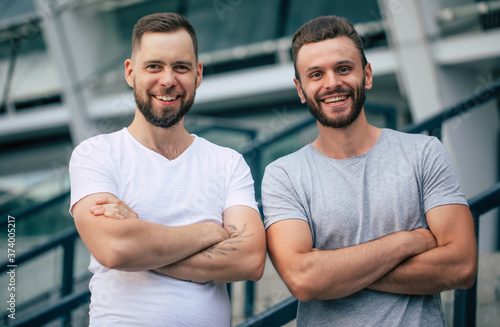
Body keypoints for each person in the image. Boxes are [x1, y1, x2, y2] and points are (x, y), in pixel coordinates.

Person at [261, 15, 477, 326]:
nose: (332, 82)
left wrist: (334, 272)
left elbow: (461, 267)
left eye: (344, 68)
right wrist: (407, 242)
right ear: (300, 89)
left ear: (368, 74)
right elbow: (304, 279)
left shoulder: (424, 153)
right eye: (316, 74)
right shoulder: (284, 174)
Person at [69, 12, 266, 326]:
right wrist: (208, 232)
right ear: (130, 72)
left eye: (181, 67)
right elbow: (115, 248)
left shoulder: (228, 163)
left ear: (198, 74)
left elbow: (251, 259)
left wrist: (142, 245)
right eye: (154, 66)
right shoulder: (96, 154)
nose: (168, 80)